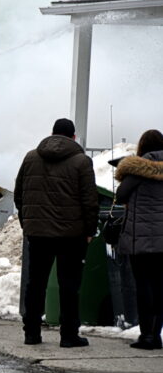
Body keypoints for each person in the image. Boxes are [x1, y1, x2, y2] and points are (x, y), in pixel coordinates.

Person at [14, 118, 99, 348]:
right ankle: (69, 335)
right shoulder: (82, 161)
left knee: (36, 283)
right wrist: (89, 231)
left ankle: (31, 333)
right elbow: (90, 201)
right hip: (72, 236)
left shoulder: (31, 157)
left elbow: (19, 193)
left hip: (38, 234)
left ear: (52, 133)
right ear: (73, 137)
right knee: (69, 286)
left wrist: (28, 223)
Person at [115, 129, 163, 350]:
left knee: (144, 287)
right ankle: (157, 334)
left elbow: (122, 195)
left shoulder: (136, 170)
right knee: (160, 287)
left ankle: (147, 336)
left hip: (141, 240)